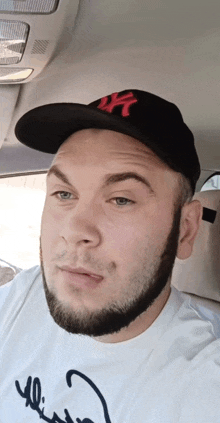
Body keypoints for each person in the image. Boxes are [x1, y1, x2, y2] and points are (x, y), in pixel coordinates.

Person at [1, 89, 220, 422]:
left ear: (185, 229)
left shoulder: (204, 381)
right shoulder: (24, 294)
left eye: (121, 200)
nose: (75, 230)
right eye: (63, 193)